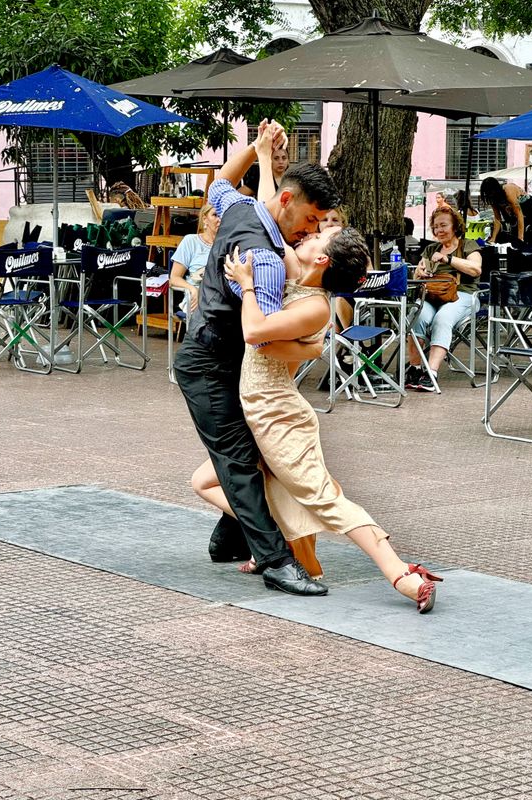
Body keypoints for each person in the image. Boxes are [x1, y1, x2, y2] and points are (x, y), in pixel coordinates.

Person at [191, 129, 443, 613]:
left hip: (278, 416)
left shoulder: (313, 304)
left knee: (327, 499)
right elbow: (271, 209)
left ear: (322, 258)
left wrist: (247, 288)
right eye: (312, 224)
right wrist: (262, 155)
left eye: (318, 233)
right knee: (205, 481)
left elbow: (255, 332)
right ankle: (280, 543)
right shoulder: (292, 269)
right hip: (260, 409)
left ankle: (401, 575)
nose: (308, 231)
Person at [173, 119, 339, 597]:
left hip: (213, 360)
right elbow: (261, 339)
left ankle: (229, 539)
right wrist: (311, 346)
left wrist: (255, 148)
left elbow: (216, 185)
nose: (312, 230)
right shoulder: (264, 258)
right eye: (311, 219)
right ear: (287, 200)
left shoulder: (244, 208)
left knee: (246, 454)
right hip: (209, 364)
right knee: (241, 461)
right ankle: (276, 562)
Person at [405, 206, 482, 393]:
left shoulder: (468, 245)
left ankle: (431, 373)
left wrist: (448, 260)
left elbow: (476, 269)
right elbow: (418, 275)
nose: (439, 230)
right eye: (436, 226)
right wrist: (419, 272)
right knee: (417, 314)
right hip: (433, 294)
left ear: (455, 226)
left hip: (463, 295)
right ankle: (415, 369)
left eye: (443, 225)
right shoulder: (431, 248)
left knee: (442, 318)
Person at [169, 204, 219, 312]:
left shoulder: (228, 244)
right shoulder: (191, 241)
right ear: (205, 219)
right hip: (197, 297)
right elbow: (174, 279)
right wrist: (192, 289)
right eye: (215, 215)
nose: (220, 219)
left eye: (223, 215)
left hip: (221, 297)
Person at [479, 177, 532, 244]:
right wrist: (493, 238)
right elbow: (497, 219)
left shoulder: (508, 190)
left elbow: (519, 214)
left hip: (529, 207)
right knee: (514, 236)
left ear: (495, 190)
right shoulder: (492, 199)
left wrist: (520, 239)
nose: (490, 195)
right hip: (515, 214)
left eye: (490, 193)